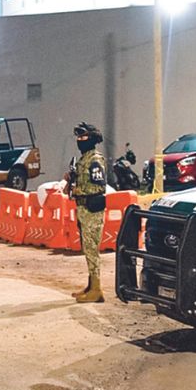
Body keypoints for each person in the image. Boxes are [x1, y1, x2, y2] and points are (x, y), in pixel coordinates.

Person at [68, 122, 107, 303]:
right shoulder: (83, 159)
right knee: (87, 248)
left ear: (92, 139)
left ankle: (97, 289)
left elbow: (98, 187)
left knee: (92, 250)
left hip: (92, 209)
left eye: (83, 137)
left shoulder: (95, 160)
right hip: (83, 209)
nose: (79, 140)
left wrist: (78, 191)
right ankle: (91, 285)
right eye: (78, 137)